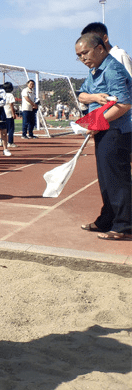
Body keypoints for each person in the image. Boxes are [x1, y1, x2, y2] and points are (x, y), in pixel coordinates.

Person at [75, 34, 131, 240]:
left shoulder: (112, 69)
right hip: (103, 130)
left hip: (116, 131)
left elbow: (124, 104)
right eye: (79, 55)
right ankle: (107, 219)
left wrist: (97, 123)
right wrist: (93, 97)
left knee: (117, 179)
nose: (82, 58)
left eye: (85, 53)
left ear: (100, 48)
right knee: (106, 179)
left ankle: (124, 225)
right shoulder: (95, 71)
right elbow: (82, 94)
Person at [3, 82, 18, 147]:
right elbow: (11, 105)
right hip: (9, 113)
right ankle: (10, 142)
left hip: (3, 113)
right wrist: (13, 114)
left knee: (3, 129)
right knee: (11, 129)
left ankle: (2, 141)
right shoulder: (10, 95)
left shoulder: (2, 94)